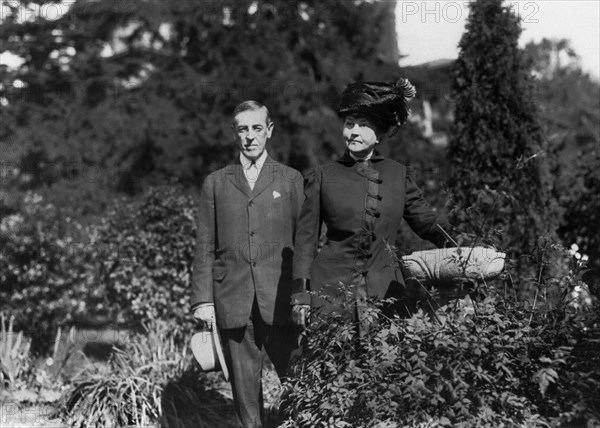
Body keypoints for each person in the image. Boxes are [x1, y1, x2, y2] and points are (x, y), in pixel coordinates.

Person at [291, 78, 452, 328]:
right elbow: (305, 240)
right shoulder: (322, 176)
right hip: (331, 296)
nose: (353, 131)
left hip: (387, 295)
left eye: (363, 125)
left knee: (388, 364)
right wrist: (300, 296)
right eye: (349, 124)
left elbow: (427, 222)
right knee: (335, 364)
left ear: (378, 135)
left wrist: (458, 245)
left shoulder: (398, 175)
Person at [191, 100, 304, 428]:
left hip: (282, 300)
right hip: (234, 301)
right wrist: (202, 300)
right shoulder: (216, 183)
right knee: (245, 397)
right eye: (243, 129)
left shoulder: (290, 180)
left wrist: (305, 295)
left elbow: (306, 244)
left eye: (257, 128)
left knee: (298, 387)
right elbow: (204, 246)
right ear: (234, 133)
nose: (250, 137)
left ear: (269, 130)